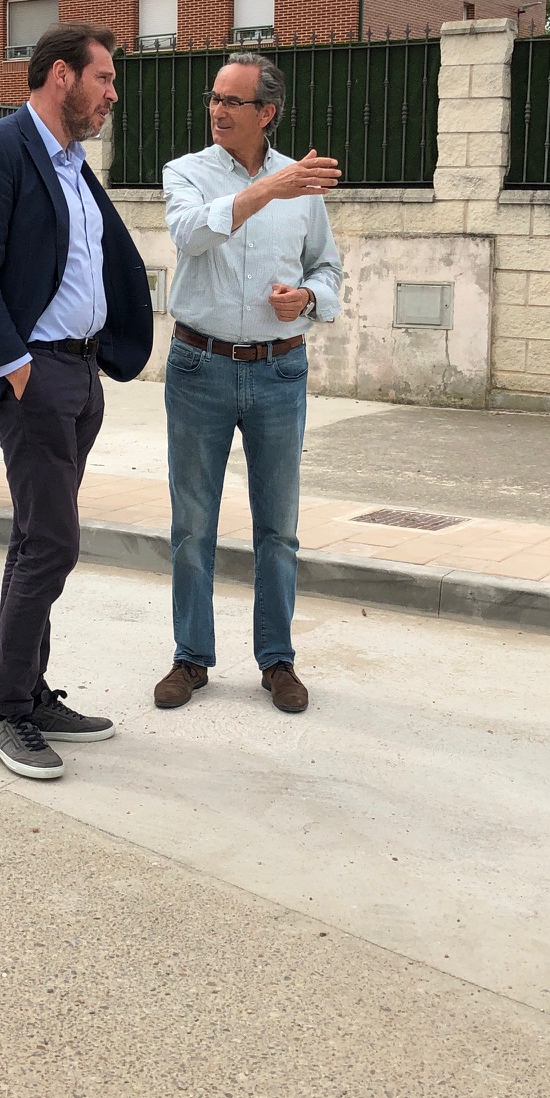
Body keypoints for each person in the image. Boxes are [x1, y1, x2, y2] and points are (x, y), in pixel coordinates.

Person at [0, 23, 155, 780]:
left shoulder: (73, 164)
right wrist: (17, 369)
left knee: (36, 539)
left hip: (80, 374)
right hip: (36, 377)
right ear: (62, 76)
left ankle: (29, 691)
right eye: (104, 79)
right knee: (54, 543)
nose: (112, 94)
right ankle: (8, 711)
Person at [153, 53, 343, 716]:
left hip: (279, 370)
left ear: (267, 113)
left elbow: (328, 270)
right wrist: (269, 189)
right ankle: (190, 657)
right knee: (192, 524)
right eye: (214, 98)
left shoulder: (302, 188)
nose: (217, 110)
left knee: (278, 529)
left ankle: (277, 661)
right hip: (198, 366)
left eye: (232, 101)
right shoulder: (186, 172)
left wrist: (309, 299)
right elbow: (190, 234)